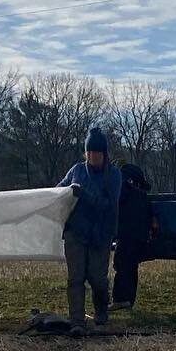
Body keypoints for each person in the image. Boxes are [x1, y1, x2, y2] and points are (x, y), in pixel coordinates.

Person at [58, 125, 122, 333]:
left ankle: (101, 311)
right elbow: (58, 191)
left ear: (104, 154)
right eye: (89, 152)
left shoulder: (113, 175)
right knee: (75, 278)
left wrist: (85, 195)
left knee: (97, 279)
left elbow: (109, 205)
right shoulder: (76, 171)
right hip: (75, 232)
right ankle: (77, 320)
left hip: (100, 234)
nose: (92, 156)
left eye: (96, 152)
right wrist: (63, 193)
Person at [111, 163, 153, 311]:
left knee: (121, 265)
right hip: (139, 233)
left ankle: (120, 299)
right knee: (131, 267)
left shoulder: (123, 186)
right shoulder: (141, 194)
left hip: (127, 231)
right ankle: (129, 299)